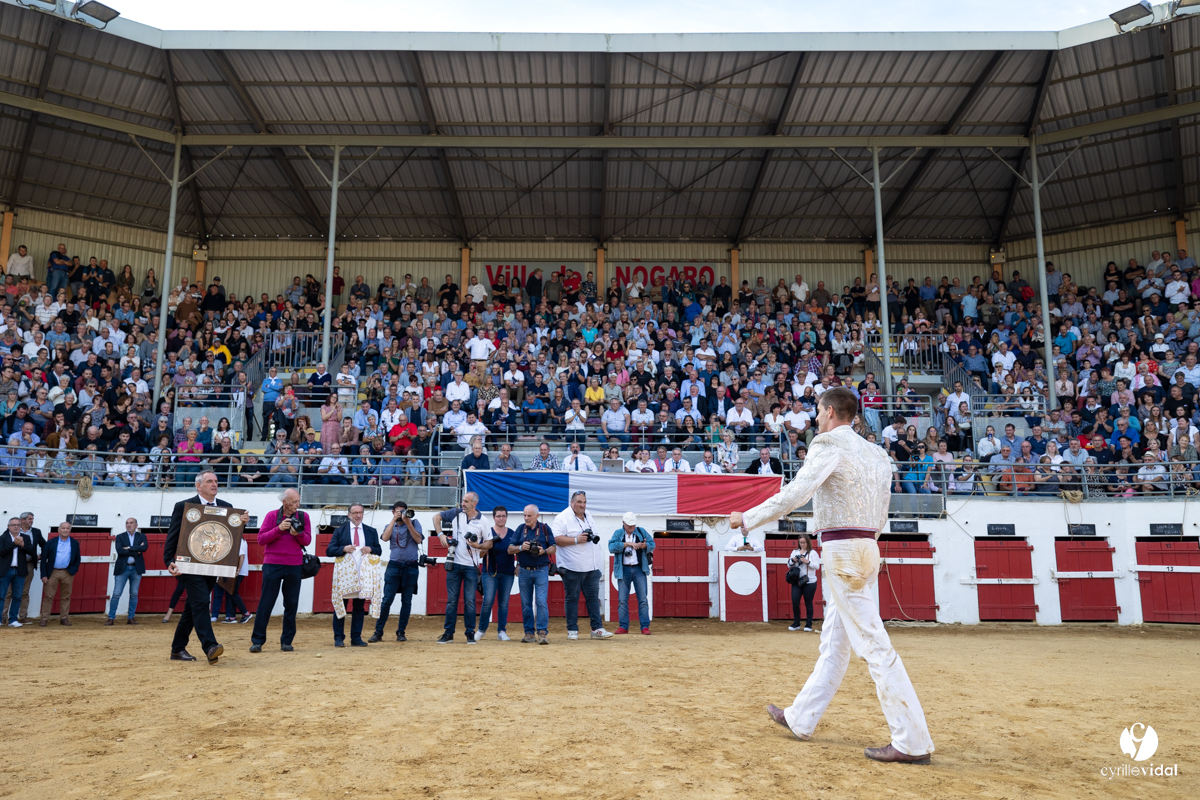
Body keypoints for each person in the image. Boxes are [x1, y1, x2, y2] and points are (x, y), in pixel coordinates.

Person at [731, 387, 934, 764]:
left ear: (828, 412)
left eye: (818, 411)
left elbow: (798, 492)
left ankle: (912, 740)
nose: (816, 416)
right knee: (834, 643)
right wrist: (867, 545)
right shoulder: (876, 453)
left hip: (842, 551)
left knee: (874, 646)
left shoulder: (826, 444)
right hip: (866, 547)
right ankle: (800, 717)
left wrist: (748, 519)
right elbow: (883, 505)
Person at [164, 471, 229, 663]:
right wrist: (168, 560)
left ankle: (177, 649)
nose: (214, 484)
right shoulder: (183, 506)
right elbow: (173, 536)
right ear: (198, 486)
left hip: (212, 566)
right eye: (210, 481)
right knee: (201, 602)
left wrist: (241, 523)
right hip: (189, 566)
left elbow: (228, 538)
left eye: (216, 481)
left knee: (192, 608)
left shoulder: (227, 507)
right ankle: (210, 646)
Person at [249, 488, 311, 653]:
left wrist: (297, 534)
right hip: (273, 564)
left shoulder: (304, 517)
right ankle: (257, 641)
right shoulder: (271, 516)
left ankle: (287, 641)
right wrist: (279, 529)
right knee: (266, 603)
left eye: (298, 501)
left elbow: (308, 540)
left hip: (294, 564)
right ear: (285, 502)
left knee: (291, 604)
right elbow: (261, 539)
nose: (297, 505)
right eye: (294, 502)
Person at [551, 491, 614, 640]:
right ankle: (572, 630)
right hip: (571, 566)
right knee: (572, 598)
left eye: (584, 502)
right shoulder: (562, 517)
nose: (582, 505)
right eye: (579, 502)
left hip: (591, 567)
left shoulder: (588, 515)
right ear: (572, 502)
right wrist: (575, 540)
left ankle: (597, 628)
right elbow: (555, 539)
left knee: (593, 599)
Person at [433, 492, 488, 644]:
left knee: (469, 601)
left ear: (474, 504)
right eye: (463, 500)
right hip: (454, 564)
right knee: (452, 601)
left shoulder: (483, 520)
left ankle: (470, 633)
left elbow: (489, 543)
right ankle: (449, 633)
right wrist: (440, 535)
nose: (462, 503)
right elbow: (436, 517)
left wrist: (478, 546)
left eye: (466, 501)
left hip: (471, 566)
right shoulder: (456, 513)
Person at [326, 503, 381, 647]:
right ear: (349, 514)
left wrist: (370, 548)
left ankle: (356, 638)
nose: (358, 515)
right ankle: (339, 638)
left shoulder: (371, 531)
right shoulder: (340, 531)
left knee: (359, 608)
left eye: (360, 512)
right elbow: (329, 550)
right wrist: (343, 548)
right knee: (341, 605)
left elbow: (379, 549)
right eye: (355, 512)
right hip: (345, 575)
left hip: (363, 575)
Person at [371, 501, 423, 643]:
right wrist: (394, 520)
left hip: (411, 566)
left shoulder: (414, 522)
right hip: (394, 565)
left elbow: (418, 540)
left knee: (406, 601)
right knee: (387, 600)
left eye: (403, 511)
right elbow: (385, 538)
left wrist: (408, 523)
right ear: (393, 512)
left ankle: (401, 632)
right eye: (398, 512)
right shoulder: (391, 525)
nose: (401, 514)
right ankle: (378, 632)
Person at [508, 504, 556, 644]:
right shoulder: (520, 529)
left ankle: (542, 632)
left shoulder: (545, 528)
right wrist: (521, 547)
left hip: (541, 569)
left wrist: (544, 551)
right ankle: (529, 633)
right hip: (524, 570)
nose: (526, 518)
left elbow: (553, 548)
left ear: (536, 515)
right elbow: (510, 549)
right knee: (526, 603)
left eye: (529, 515)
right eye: (525, 515)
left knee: (541, 602)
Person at [608, 511, 655, 635]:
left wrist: (644, 546)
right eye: (629, 526)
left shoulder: (641, 531)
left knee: (643, 599)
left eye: (633, 525)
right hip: (624, 569)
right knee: (623, 599)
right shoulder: (618, 533)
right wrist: (627, 544)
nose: (632, 528)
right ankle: (624, 626)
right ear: (623, 523)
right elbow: (611, 547)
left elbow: (652, 544)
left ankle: (645, 626)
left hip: (639, 568)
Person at [476, 505, 516, 641]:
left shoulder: (512, 533)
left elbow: (519, 551)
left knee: (504, 603)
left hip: (508, 572)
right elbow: (480, 554)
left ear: (506, 517)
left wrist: (519, 565)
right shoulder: (488, 533)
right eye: (498, 516)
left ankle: (501, 631)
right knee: (488, 601)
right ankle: (481, 630)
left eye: (503, 516)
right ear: (494, 518)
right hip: (490, 571)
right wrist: (488, 545)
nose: (501, 518)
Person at [38, 520, 81, 627]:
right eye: (63, 528)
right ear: (59, 530)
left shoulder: (74, 543)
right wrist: (43, 574)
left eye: (67, 528)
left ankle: (64, 618)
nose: (65, 530)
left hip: (67, 572)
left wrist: (73, 570)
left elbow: (77, 559)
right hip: (52, 572)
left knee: (66, 596)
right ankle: (44, 619)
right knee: (48, 596)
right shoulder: (51, 542)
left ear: (70, 530)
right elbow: (44, 559)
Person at [106, 517, 147, 625]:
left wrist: (128, 548)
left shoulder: (141, 536)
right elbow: (120, 551)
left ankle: (131, 617)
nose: (129, 525)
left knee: (134, 593)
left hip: (136, 568)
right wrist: (136, 549)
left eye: (131, 523)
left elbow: (144, 548)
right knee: (116, 593)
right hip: (123, 568)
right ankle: (111, 617)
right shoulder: (120, 536)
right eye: (127, 523)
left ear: (136, 525)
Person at [2, 512, 41, 623]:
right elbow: (2, 551)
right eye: (13, 525)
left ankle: (18, 618)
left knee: (21, 594)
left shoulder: (30, 535)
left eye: (18, 525)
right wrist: (14, 543)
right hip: (8, 568)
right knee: (5, 594)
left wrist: (24, 546)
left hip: (24, 568)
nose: (16, 527)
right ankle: (2, 617)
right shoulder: (5, 536)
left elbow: (35, 549)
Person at [211, 535, 251, 625]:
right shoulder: (241, 540)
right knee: (231, 592)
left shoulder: (239, 541)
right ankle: (232, 617)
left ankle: (245, 613)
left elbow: (242, 556)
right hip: (237, 571)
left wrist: (238, 570)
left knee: (233, 592)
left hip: (238, 571)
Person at [787, 534, 820, 632]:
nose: (802, 544)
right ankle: (796, 623)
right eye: (800, 542)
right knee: (795, 602)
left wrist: (807, 561)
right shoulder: (795, 552)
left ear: (808, 542)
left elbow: (817, 566)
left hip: (809, 581)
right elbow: (788, 564)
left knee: (808, 603)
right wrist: (793, 560)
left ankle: (808, 624)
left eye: (804, 542)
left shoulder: (813, 553)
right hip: (797, 580)